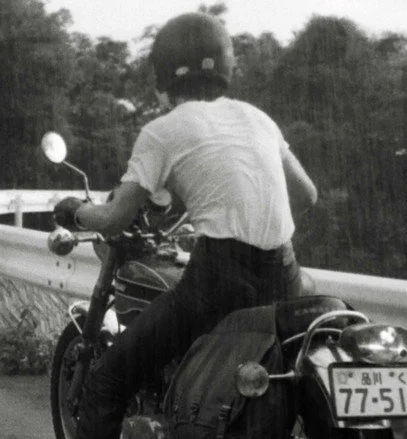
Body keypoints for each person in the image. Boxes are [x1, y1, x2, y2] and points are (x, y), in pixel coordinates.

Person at [53, 12, 317, 438]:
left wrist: (76, 211)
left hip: (218, 281)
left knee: (109, 381)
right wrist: (257, 223)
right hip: (284, 275)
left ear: (163, 74)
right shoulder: (257, 118)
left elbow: (116, 219)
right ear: (226, 65)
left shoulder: (163, 131)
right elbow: (306, 195)